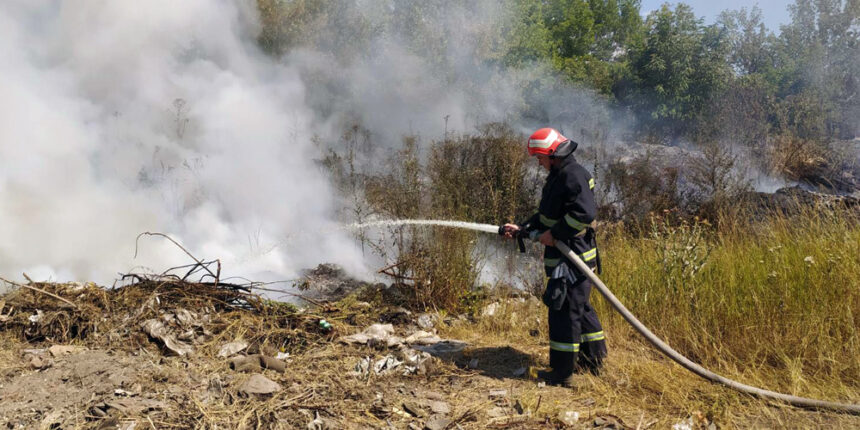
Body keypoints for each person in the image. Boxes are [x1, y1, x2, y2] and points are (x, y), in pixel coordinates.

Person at [502, 127, 607, 386]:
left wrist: (555, 233)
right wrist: (523, 228)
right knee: (579, 308)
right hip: (569, 257)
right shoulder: (560, 175)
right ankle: (593, 362)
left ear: (552, 154)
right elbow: (548, 215)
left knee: (563, 311)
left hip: (572, 258)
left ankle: (563, 373)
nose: (538, 163)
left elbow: (583, 214)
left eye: (539, 158)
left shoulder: (572, 176)